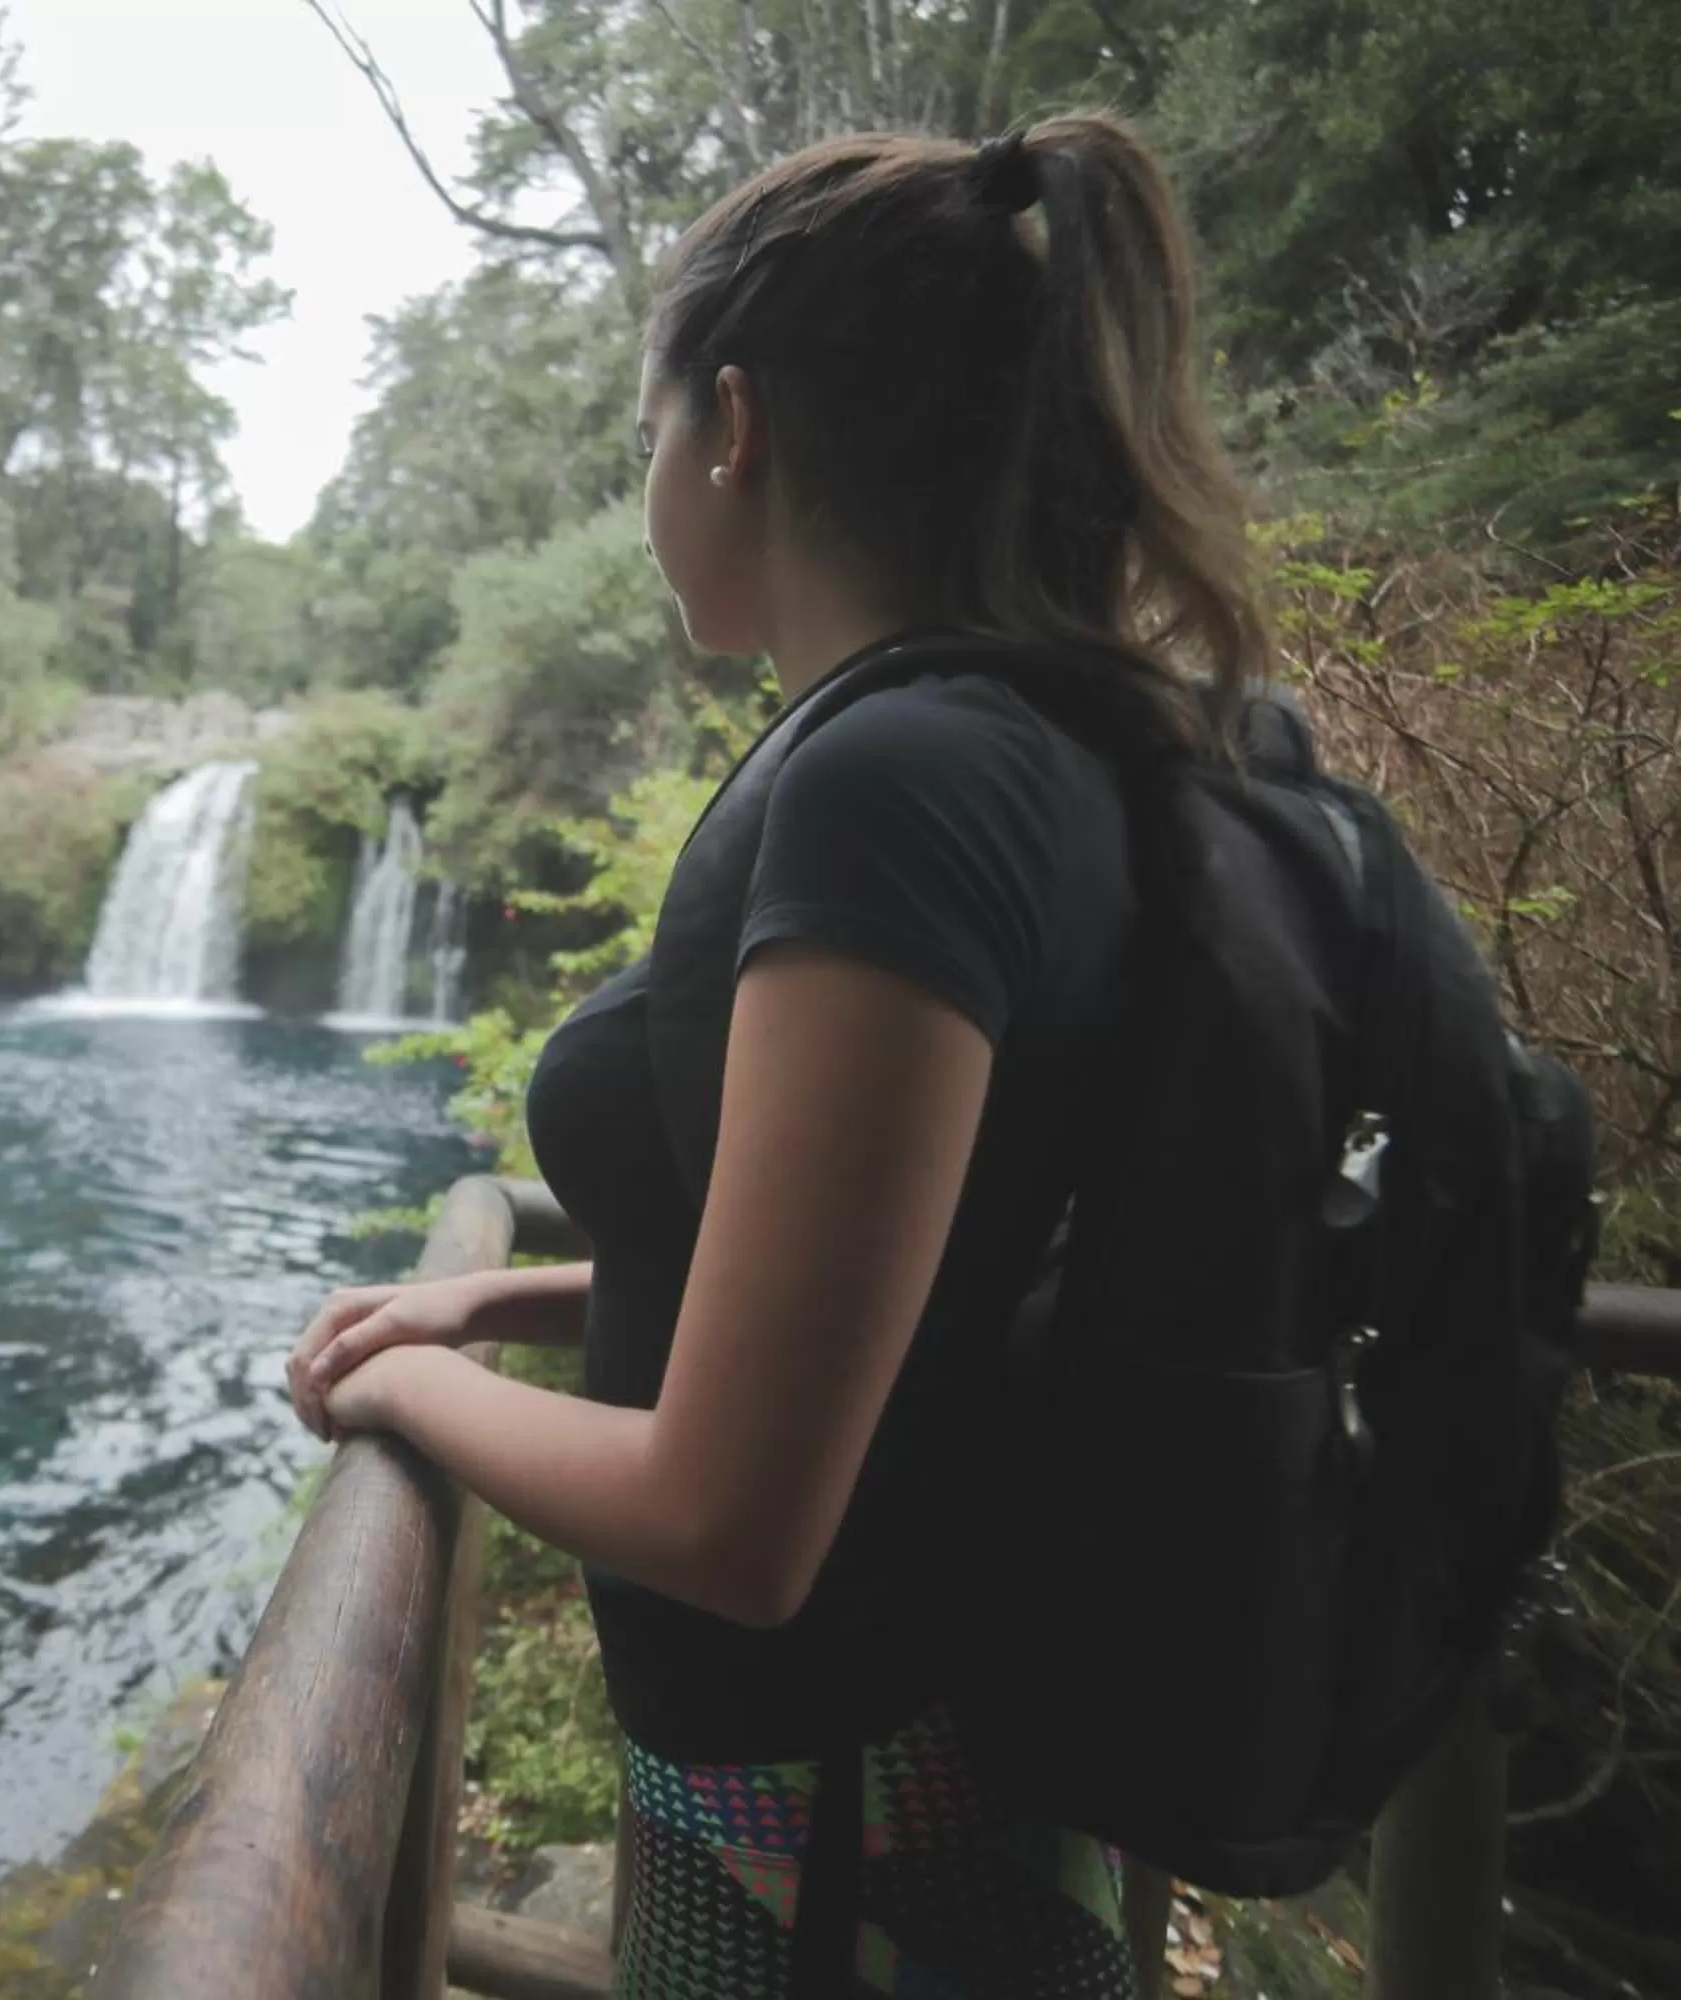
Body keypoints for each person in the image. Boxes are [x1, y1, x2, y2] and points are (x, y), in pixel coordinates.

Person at [285, 114, 1266, 2000]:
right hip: (900, 1773)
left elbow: (729, 1523)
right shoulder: (1036, 738)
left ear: (731, 425)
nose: (648, 486)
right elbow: (906, 1289)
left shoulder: (899, 789)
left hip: (843, 1830)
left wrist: (395, 1393)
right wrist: (499, 1306)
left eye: (644, 436)